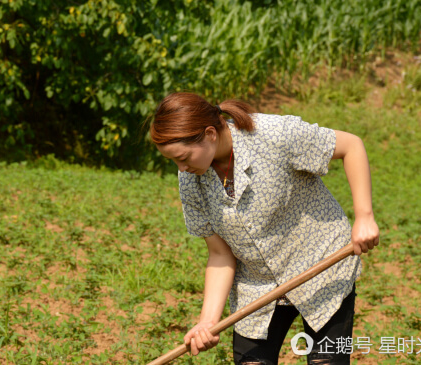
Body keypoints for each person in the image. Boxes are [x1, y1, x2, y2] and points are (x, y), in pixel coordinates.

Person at [149, 92, 380, 365]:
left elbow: (351, 146)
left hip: (322, 267)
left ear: (210, 133)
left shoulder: (274, 135)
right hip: (257, 286)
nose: (181, 168)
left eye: (183, 157)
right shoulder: (191, 180)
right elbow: (221, 255)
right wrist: (207, 322)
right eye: (173, 161)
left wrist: (364, 216)